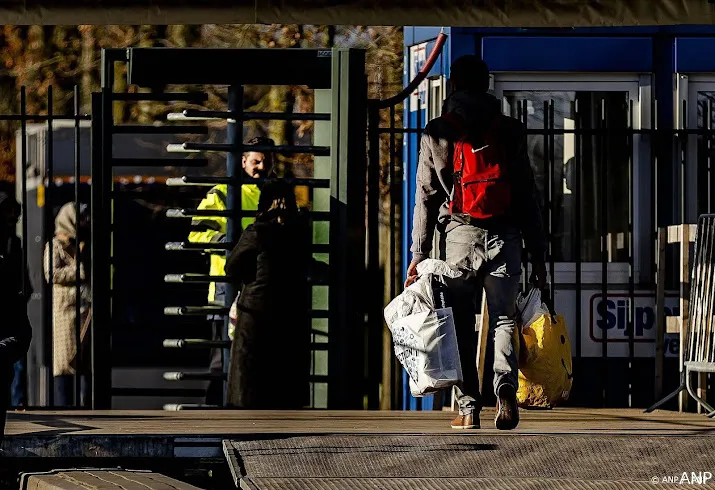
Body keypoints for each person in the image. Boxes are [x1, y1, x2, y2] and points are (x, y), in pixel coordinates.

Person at [406, 55, 547, 431]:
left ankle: (468, 408)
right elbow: (527, 195)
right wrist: (538, 251)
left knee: (459, 323)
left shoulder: (437, 132)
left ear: (452, 85)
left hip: (459, 238)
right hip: (505, 236)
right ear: (487, 85)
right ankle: (503, 388)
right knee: (503, 318)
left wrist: (418, 253)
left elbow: (425, 195)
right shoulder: (510, 130)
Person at [189, 136, 275, 406]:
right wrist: (226, 242)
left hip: (259, 287)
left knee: (252, 354)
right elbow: (196, 234)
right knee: (223, 356)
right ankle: (216, 408)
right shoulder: (222, 194)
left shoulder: (274, 195)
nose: (261, 166)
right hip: (226, 287)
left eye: (266, 161)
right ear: (242, 161)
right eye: (256, 161)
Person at [224, 179, 315, 409]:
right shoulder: (300, 230)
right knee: (283, 383)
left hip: (255, 313)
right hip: (291, 313)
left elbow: (232, 267)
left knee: (250, 382)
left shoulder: (257, 231)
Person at [44, 202, 91, 407]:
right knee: (65, 362)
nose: (84, 221)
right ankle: (65, 406)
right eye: (80, 217)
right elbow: (51, 273)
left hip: (86, 310)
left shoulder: (84, 242)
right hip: (65, 311)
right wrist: (79, 270)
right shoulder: (55, 245)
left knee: (86, 361)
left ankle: (88, 405)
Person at [0, 193, 31, 439]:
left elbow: (22, 277)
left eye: (15, 218)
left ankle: (16, 400)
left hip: (9, 313)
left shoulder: (14, 244)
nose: (12, 221)